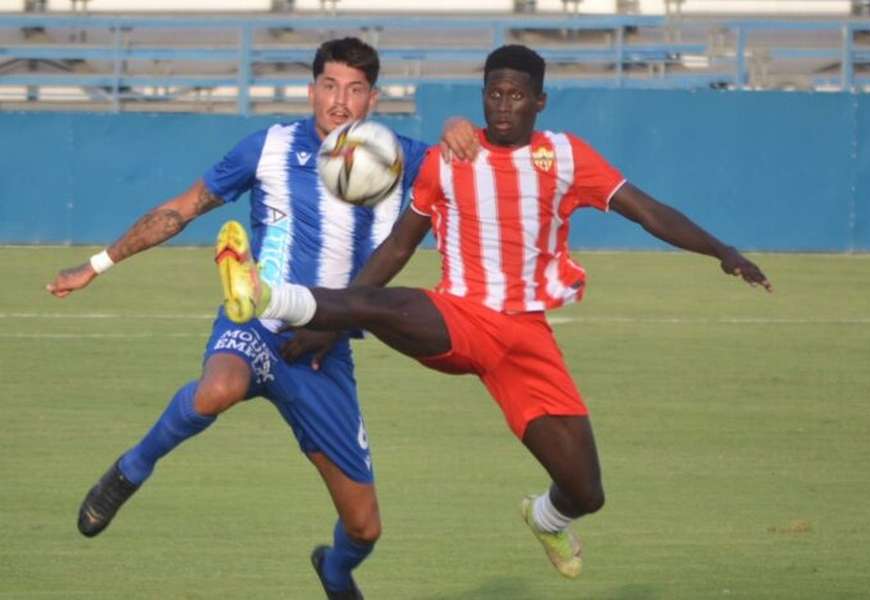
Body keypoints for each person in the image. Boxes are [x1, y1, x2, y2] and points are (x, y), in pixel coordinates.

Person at [217, 44, 773, 579]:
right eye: (494, 95)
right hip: (459, 316)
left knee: (586, 491)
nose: (503, 106)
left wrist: (721, 250)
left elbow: (647, 210)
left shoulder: (566, 157)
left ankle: (544, 518)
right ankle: (264, 294)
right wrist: (326, 325)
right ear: (482, 96)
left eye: (515, 96)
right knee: (393, 303)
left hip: (526, 339)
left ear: (539, 102)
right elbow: (397, 248)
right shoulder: (450, 160)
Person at [46, 37, 478, 600]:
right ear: (310, 90)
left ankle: (336, 571)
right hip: (254, 320)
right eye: (329, 86)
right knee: (219, 387)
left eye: (353, 90)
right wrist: (98, 264)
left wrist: (455, 123)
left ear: (373, 98)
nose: (339, 102)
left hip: (324, 351)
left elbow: (471, 157)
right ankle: (131, 469)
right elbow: (181, 208)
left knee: (364, 526)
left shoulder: (399, 157)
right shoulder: (269, 148)